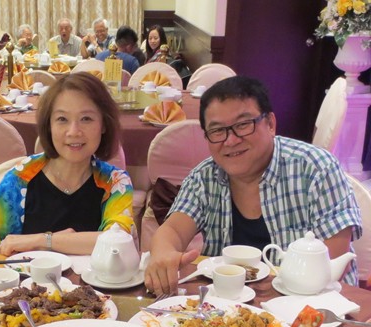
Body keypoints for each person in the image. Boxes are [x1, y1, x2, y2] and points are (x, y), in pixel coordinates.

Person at [144, 76, 363, 295]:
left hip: (313, 303)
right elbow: (173, 230)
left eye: (243, 125)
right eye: (217, 130)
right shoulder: (204, 177)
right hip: (230, 304)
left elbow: (332, 258)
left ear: (270, 124)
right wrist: (163, 253)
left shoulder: (316, 169)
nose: (231, 140)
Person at [0, 73, 134, 256]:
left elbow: (118, 242)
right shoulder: (19, 180)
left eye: (86, 119)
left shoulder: (115, 182)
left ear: (104, 125)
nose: (74, 132)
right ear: (49, 125)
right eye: (62, 119)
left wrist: (44, 241)